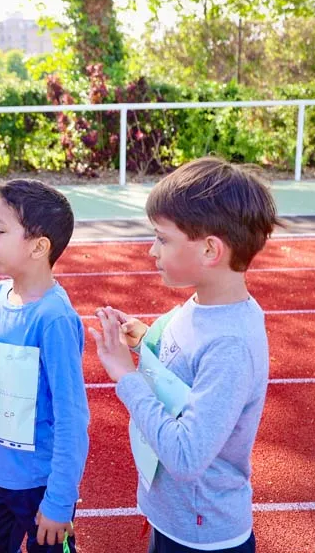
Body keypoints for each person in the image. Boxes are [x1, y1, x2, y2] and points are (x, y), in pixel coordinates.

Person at [90, 156, 281, 553]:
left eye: (162, 238)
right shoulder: (200, 304)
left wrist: (126, 377)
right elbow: (183, 371)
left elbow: (186, 457)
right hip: (175, 520)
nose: (150, 250)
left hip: (203, 535)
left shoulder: (231, 344)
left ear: (211, 249)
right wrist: (144, 341)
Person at [0, 179, 90, 553]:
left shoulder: (54, 320)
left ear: (39, 247)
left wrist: (59, 502)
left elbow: (72, 417)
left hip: (39, 485)